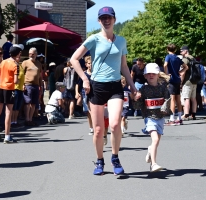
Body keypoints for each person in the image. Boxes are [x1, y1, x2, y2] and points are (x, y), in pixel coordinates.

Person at [70, 6, 137, 175]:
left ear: (114, 19)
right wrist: (85, 79)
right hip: (97, 86)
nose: (106, 20)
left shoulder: (121, 41)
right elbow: (74, 59)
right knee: (99, 130)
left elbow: (123, 66)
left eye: (109, 17)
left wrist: (133, 86)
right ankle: (100, 161)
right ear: (99, 21)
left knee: (115, 125)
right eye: (103, 18)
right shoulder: (94, 39)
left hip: (115, 86)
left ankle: (115, 158)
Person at [131, 63, 170, 172]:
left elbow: (168, 99)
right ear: (145, 76)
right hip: (149, 118)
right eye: (148, 74)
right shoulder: (143, 89)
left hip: (160, 118)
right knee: (155, 139)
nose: (151, 76)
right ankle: (153, 164)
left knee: (155, 143)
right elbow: (137, 106)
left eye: (153, 73)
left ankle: (150, 150)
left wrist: (165, 108)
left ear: (158, 75)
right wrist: (135, 98)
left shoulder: (163, 88)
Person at [0, 44, 22, 143]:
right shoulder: (15, 65)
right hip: (10, 89)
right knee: (8, 112)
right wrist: (18, 80)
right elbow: (16, 81)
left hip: (1, 87)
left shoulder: (3, 62)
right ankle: (7, 136)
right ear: (17, 54)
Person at [163, 44, 188, 125]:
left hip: (172, 79)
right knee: (178, 98)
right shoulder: (177, 58)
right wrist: (180, 72)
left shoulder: (168, 57)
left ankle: (172, 118)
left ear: (167, 49)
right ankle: (180, 118)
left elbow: (165, 65)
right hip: (178, 79)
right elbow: (186, 67)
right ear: (175, 49)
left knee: (172, 99)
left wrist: (166, 73)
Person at [22, 47, 43, 126]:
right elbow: (21, 74)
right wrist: (23, 84)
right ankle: (27, 119)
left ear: (36, 54)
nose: (31, 55)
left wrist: (40, 86)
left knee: (34, 103)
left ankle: (30, 119)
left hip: (36, 85)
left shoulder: (39, 64)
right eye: (30, 54)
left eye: (33, 54)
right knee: (27, 103)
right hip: (27, 84)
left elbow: (40, 76)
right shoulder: (25, 62)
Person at [76, 56, 93, 135]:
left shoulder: (96, 74)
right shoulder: (84, 74)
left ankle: (96, 126)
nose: (91, 65)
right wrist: (77, 92)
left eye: (92, 63)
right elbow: (78, 84)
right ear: (86, 64)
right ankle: (91, 128)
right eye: (89, 63)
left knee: (94, 111)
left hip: (95, 94)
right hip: (85, 94)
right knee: (89, 112)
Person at [180, 45, 198, 120]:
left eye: (182, 51)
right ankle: (193, 114)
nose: (180, 52)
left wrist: (181, 83)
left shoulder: (185, 59)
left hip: (187, 81)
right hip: (195, 80)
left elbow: (183, 73)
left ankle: (186, 114)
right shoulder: (193, 58)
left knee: (186, 98)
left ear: (186, 51)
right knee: (193, 98)